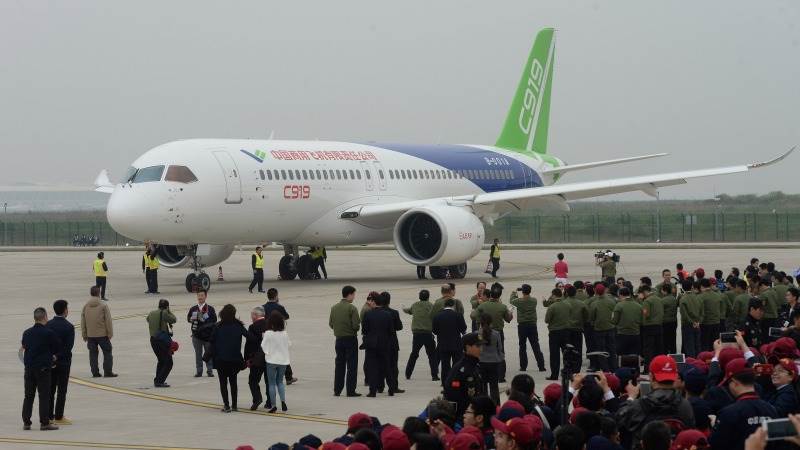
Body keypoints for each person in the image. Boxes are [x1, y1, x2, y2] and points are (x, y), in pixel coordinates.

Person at [615, 355, 695, 449]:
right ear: (675, 376)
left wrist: (631, 397)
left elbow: (618, 419)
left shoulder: (639, 405)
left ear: (651, 376)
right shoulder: (685, 406)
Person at [709, 358, 778, 450]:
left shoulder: (728, 413)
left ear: (734, 382)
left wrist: (715, 425)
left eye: (728, 383)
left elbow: (716, 444)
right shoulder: (771, 410)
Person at [21, 307, 60, 431]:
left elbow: (24, 346)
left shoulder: (26, 332)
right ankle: (44, 422)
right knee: (44, 396)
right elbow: (57, 346)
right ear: (45, 317)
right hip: (43, 368)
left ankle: (26, 422)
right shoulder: (49, 333)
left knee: (28, 396)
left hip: (29, 368)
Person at [210, 304, 249, 412]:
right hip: (234, 359)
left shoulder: (217, 326)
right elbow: (250, 337)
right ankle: (235, 405)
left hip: (221, 359)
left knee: (223, 383)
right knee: (233, 382)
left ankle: (226, 405)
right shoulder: (238, 326)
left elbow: (211, 341)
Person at [471, 284, 512, 382]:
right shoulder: (502, 307)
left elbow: (473, 316)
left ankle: (483, 374)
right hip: (498, 332)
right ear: (499, 296)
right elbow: (508, 319)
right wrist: (510, 313)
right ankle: (501, 377)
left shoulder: (482, 305)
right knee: (500, 352)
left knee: (482, 352)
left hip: (483, 331)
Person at [329, 285, 361, 397]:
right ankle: (350, 390)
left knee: (339, 365)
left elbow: (331, 324)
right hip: (350, 339)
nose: (354, 297)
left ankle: (337, 390)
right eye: (354, 294)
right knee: (351, 365)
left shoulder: (334, 307)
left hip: (338, 339)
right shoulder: (352, 308)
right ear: (350, 294)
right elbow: (356, 325)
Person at [46, 299, 74, 426]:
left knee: (50, 389)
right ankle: (59, 416)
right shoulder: (69, 327)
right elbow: (68, 347)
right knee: (62, 390)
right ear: (65, 311)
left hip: (49, 362)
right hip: (63, 362)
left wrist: (51, 356)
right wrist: (58, 356)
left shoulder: (48, 325)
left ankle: (49, 415)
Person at [262, 288, 297, 384]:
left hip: (267, 334)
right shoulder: (279, 307)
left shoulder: (263, 307)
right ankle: (288, 377)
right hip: (278, 334)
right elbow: (287, 316)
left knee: (268, 355)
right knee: (283, 354)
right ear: (276, 296)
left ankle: (269, 376)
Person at [444, 332, 484, 418]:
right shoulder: (460, 369)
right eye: (477, 346)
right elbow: (451, 394)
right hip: (464, 416)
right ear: (468, 347)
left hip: (476, 414)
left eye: (481, 346)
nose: (481, 349)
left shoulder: (476, 366)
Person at [403, 289, 439, 381]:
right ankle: (434, 376)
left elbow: (409, 311)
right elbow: (435, 316)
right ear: (428, 297)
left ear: (419, 297)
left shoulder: (415, 305)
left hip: (417, 334)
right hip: (427, 334)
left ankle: (408, 374)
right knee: (432, 355)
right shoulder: (431, 305)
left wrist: (403, 308)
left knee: (414, 354)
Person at [81, 286, 115, 378]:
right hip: (102, 335)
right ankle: (108, 372)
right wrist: (110, 333)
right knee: (107, 352)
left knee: (93, 354)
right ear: (99, 293)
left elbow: (83, 322)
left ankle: (95, 372)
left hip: (90, 335)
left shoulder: (86, 306)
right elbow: (108, 320)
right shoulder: (103, 305)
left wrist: (84, 334)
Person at [510, 284, 545, 372]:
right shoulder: (534, 300)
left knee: (522, 346)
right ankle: (541, 366)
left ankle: (523, 366)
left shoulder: (519, 301)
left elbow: (511, 301)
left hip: (522, 326)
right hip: (532, 325)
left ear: (522, 291)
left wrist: (514, 292)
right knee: (535, 345)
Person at [433, 298, 468, 385]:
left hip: (443, 344)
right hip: (456, 344)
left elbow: (434, 331)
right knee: (456, 365)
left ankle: (445, 384)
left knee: (445, 366)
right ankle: (455, 383)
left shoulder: (437, 316)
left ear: (444, 305)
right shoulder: (458, 315)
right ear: (453, 305)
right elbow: (463, 328)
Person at [262, 311, 291, 413]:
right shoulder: (285, 333)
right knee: (280, 382)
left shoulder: (268, 333)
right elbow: (289, 345)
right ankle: (283, 402)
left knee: (271, 383)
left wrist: (268, 353)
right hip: (283, 361)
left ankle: (273, 405)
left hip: (271, 360)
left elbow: (263, 346)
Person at [146, 299, 176, 387]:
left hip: (153, 340)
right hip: (162, 341)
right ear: (167, 307)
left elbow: (148, 319)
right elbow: (174, 319)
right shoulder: (165, 313)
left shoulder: (151, 313)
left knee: (161, 360)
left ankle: (157, 380)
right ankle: (160, 381)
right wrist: (168, 311)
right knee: (169, 362)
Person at [188, 289, 216, 377]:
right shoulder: (193, 308)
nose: (200, 297)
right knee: (198, 354)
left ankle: (210, 370)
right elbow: (188, 318)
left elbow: (214, 320)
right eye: (199, 295)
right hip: (196, 336)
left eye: (202, 295)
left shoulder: (210, 309)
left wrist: (206, 322)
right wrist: (192, 319)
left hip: (207, 336)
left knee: (208, 353)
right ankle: (199, 371)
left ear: (205, 296)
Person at [544, 287, 572, 380]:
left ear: (554, 295)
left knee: (554, 355)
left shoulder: (552, 307)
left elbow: (546, 320)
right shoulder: (568, 305)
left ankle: (554, 375)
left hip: (554, 333)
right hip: (566, 331)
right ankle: (568, 373)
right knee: (566, 354)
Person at [477, 313, 504, 404]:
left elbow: (478, 348)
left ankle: (484, 404)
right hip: (494, 361)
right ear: (491, 322)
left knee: (482, 386)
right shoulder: (496, 334)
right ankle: (496, 405)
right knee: (494, 386)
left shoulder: (478, 334)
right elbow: (499, 348)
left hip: (481, 361)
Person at [589, 284, 617, 371]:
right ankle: (613, 367)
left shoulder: (594, 304)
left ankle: (605, 368)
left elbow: (592, 318)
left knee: (601, 350)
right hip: (610, 328)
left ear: (596, 292)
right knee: (611, 349)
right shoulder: (612, 301)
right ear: (605, 290)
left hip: (599, 329)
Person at [245, 306, 268, 410]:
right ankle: (270, 402)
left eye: (251, 315)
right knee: (269, 381)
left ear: (255, 315)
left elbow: (249, 344)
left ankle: (257, 398)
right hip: (269, 357)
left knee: (253, 381)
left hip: (257, 359)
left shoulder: (252, 327)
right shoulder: (270, 325)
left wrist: (247, 358)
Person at [381, 291, 405, 395]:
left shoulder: (375, 312)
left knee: (380, 365)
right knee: (393, 366)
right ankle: (394, 386)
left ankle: (379, 386)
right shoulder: (394, 312)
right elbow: (399, 327)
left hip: (380, 342)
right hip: (392, 342)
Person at [612, 287, 642, 358]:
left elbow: (614, 321)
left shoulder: (619, 306)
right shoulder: (639, 306)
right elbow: (641, 321)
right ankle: (635, 369)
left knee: (622, 357)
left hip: (622, 335)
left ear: (621, 295)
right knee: (635, 356)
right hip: (635, 335)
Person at [639, 286, 663, 374]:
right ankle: (659, 367)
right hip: (659, 326)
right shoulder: (658, 299)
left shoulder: (647, 301)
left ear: (644, 292)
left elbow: (646, 314)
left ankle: (647, 369)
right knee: (658, 348)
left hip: (649, 327)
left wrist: (641, 301)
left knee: (648, 350)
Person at [679, 280, 703, 357]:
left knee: (689, 346)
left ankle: (692, 363)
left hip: (688, 325)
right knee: (697, 345)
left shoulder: (683, 299)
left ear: (682, 288)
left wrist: (692, 322)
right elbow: (702, 311)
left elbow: (684, 315)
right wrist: (698, 322)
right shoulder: (698, 298)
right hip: (697, 324)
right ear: (692, 287)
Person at [699, 278, 722, 351]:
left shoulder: (701, 297)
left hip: (706, 323)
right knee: (715, 344)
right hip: (717, 322)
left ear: (702, 286)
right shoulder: (717, 295)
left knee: (705, 344)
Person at [659, 283, 678, 355]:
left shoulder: (663, 300)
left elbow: (661, 312)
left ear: (664, 291)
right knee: (673, 339)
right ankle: (673, 353)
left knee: (665, 340)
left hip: (665, 323)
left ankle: (665, 354)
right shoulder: (674, 299)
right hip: (674, 321)